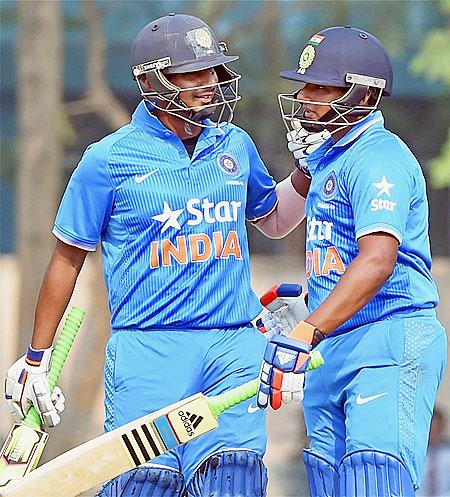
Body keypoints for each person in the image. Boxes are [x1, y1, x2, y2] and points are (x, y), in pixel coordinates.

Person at [4, 13, 311, 497]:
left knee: (235, 479)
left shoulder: (234, 143)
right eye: (193, 72)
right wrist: (35, 359)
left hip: (231, 345)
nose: (209, 83)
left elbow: (272, 218)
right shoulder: (107, 160)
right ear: (150, 81)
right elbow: (67, 258)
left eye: (212, 70)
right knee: (146, 486)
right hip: (148, 352)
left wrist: (308, 170)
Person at [256, 26, 448, 497]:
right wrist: (314, 301)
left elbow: (379, 261)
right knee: (328, 481)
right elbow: (275, 221)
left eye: (321, 86)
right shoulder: (326, 159)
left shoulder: (377, 158)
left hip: (386, 338)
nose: (305, 98)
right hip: (329, 346)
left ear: (362, 94)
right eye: (304, 85)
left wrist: (307, 329)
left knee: (372, 481)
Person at [418, 406, 450, 497]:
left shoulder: (447, 454)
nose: (433, 433)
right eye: (430, 429)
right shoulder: (414, 457)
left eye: (437, 428)